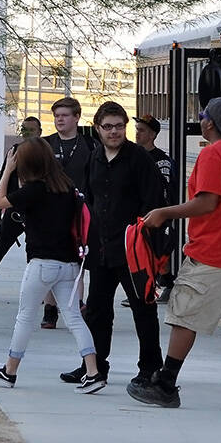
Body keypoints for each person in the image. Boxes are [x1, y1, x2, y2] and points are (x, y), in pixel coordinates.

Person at [126, 97, 221, 412]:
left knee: (185, 315)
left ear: (209, 123)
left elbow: (207, 202)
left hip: (213, 253)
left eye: (202, 116)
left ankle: (166, 383)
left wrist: (164, 213)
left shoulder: (213, 155)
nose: (201, 120)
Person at [0, 138, 105, 394]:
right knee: (73, 317)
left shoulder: (34, 190)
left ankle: (10, 370)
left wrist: (7, 169)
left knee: (25, 317)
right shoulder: (67, 188)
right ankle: (93, 372)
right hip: (70, 264)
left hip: (42, 264)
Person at [59, 101, 163, 388]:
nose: (114, 132)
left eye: (119, 126)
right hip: (101, 249)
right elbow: (88, 202)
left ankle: (151, 369)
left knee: (143, 309)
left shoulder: (140, 159)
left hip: (132, 250)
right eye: (108, 127)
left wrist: (144, 238)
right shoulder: (94, 158)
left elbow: (154, 203)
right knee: (97, 310)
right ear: (97, 128)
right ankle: (94, 366)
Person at [0, 117, 43, 301]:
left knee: (36, 251)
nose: (28, 134)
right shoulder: (14, 150)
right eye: (25, 130)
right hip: (13, 208)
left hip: (37, 211)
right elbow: (4, 176)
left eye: (32, 130)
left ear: (39, 131)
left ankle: (39, 290)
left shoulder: (44, 150)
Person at [42, 97, 95, 328]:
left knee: (77, 261)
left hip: (79, 211)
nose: (59, 119)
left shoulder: (91, 146)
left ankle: (76, 304)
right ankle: (50, 308)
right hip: (49, 211)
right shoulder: (45, 145)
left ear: (76, 117)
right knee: (49, 261)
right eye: (56, 116)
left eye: (64, 115)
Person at [133, 112, 176, 303]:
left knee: (157, 253)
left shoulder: (161, 161)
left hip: (156, 213)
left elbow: (166, 190)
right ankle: (144, 288)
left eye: (142, 131)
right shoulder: (133, 156)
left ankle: (165, 283)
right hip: (137, 212)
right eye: (136, 130)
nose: (137, 134)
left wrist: (164, 214)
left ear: (152, 135)